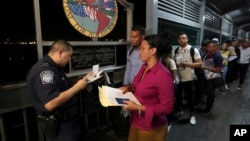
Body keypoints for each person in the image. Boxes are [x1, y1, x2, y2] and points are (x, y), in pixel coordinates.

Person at [26, 39, 93, 141]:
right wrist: (78, 87)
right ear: (60, 52)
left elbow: (62, 87)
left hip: (66, 122)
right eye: (69, 55)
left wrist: (83, 80)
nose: (70, 59)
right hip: (60, 126)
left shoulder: (55, 68)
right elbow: (50, 103)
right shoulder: (45, 71)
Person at [119, 34, 174, 141]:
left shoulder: (163, 75)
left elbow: (167, 107)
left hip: (152, 127)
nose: (140, 51)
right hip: (136, 120)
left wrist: (137, 107)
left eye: (143, 49)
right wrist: (129, 88)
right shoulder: (144, 67)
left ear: (153, 51)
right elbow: (140, 87)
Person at [112, 25, 145, 140]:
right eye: (131, 37)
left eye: (135, 37)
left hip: (142, 91)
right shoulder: (131, 51)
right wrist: (125, 85)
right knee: (127, 113)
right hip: (130, 89)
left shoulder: (148, 53)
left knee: (141, 114)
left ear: (143, 36)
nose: (132, 39)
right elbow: (128, 69)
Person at [173, 32, 202, 125]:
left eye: (183, 38)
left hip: (189, 77)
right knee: (178, 96)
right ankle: (180, 109)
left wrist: (187, 64)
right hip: (178, 77)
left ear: (187, 39)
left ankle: (192, 114)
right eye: (180, 38)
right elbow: (173, 61)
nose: (181, 40)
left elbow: (199, 64)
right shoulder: (176, 50)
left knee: (190, 97)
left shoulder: (193, 50)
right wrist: (175, 64)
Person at [200, 40, 223, 115]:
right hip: (206, 75)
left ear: (215, 47)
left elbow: (218, 69)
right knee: (204, 90)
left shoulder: (217, 56)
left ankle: (207, 110)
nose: (208, 48)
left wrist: (206, 68)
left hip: (213, 77)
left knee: (211, 93)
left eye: (210, 47)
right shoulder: (207, 53)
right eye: (207, 47)